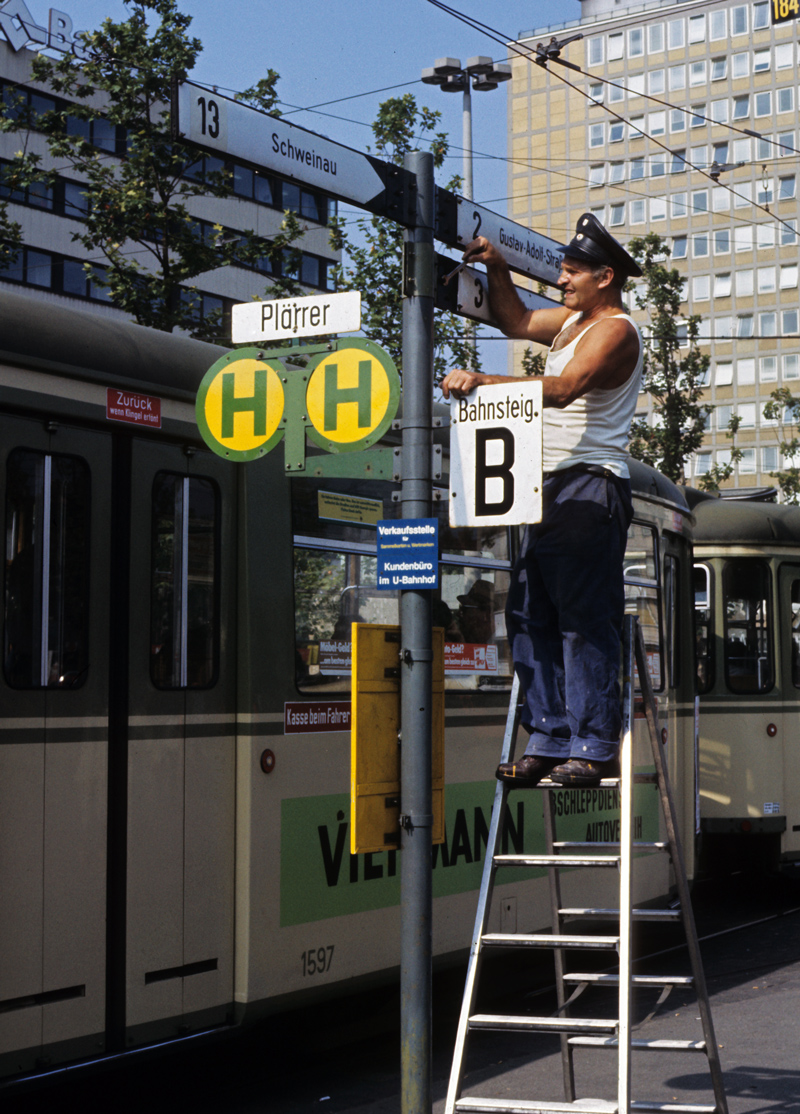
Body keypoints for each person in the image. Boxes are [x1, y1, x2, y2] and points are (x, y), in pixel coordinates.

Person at [441, 213, 643, 788]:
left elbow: (564, 389)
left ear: (605, 277)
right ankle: (552, 736)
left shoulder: (615, 331)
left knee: (583, 618)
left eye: (572, 272)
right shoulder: (575, 321)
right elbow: (518, 319)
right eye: (562, 269)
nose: (561, 280)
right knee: (530, 612)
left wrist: (484, 382)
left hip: (588, 484)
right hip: (546, 485)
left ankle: (596, 743)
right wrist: (499, 269)